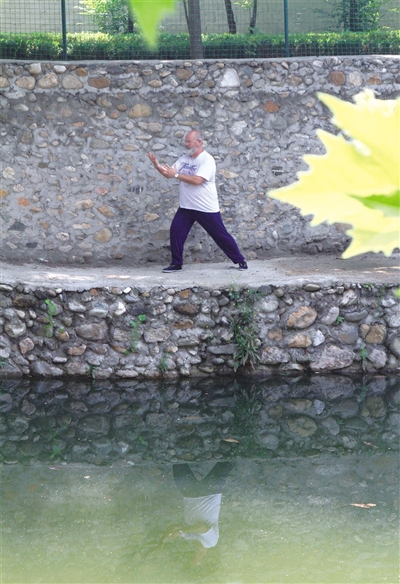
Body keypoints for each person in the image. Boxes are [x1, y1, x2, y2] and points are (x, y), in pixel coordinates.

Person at [147, 130, 247, 273]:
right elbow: (168, 174)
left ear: (198, 142)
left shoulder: (207, 160)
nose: (186, 144)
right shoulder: (184, 159)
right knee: (176, 230)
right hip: (187, 207)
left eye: (189, 141)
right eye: (186, 141)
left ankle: (240, 260)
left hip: (205, 207)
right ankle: (176, 264)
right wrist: (156, 164)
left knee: (220, 235)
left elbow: (197, 180)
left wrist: (175, 174)